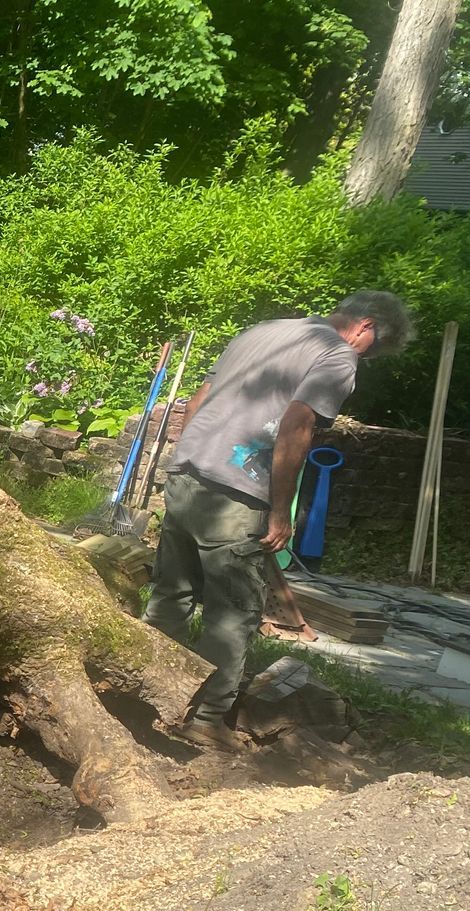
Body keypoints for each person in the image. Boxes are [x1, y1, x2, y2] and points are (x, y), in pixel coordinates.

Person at [143, 291, 415, 746]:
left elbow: (199, 399)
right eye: (372, 347)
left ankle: (144, 694)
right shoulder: (336, 354)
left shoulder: (264, 331)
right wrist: (278, 510)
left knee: (171, 594)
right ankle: (206, 722)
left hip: (187, 475)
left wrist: (186, 456)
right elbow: (297, 426)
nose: (364, 357)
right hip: (235, 495)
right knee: (232, 612)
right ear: (365, 327)